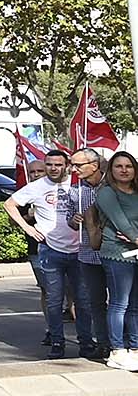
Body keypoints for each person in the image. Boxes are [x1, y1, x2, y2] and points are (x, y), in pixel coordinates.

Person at [10, 148, 81, 356]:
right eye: (49, 164)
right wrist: (28, 228)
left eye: (58, 164)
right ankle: (57, 342)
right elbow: (10, 204)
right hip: (50, 250)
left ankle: (86, 341)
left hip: (78, 249)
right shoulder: (36, 187)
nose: (53, 168)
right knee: (53, 299)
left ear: (66, 165)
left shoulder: (77, 184)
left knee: (82, 299)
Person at [88, 151, 138, 369]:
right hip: (117, 254)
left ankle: (135, 349)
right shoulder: (106, 193)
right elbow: (121, 222)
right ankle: (117, 351)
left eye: (129, 166)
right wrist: (135, 237)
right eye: (119, 166)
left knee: (135, 305)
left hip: (136, 253)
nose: (124, 170)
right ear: (111, 170)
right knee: (119, 303)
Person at [68, 147, 110, 361]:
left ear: (94, 166)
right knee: (95, 303)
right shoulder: (75, 191)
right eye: (72, 165)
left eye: (78, 165)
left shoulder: (111, 186)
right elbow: (69, 220)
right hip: (87, 254)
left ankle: (125, 343)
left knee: (122, 303)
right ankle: (103, 344)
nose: (73, 169)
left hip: (114, 253)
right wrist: (73, 220)